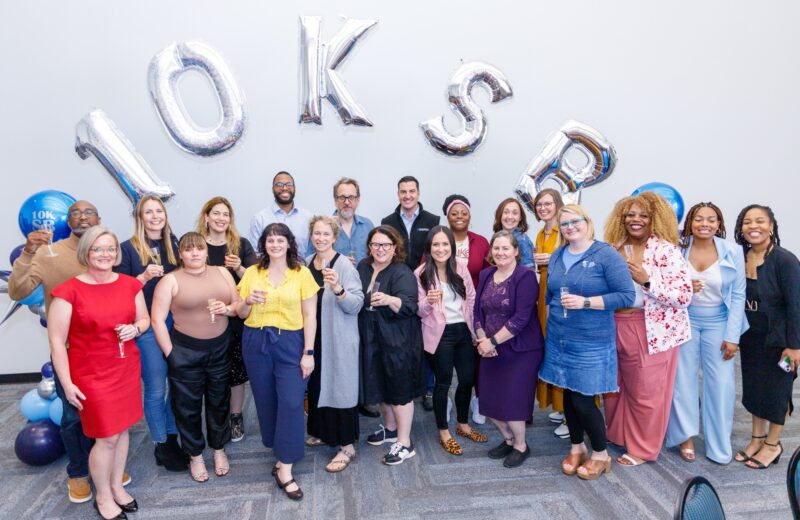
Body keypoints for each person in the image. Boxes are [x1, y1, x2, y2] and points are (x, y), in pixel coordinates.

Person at [8, 201, 132, 503]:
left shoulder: (110, 249)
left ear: (99, 218)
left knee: (114, 420)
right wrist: (26, 252)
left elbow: (127, 292)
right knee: (74, 416)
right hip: (72, 352)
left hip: (111, 354)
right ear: (68, 220)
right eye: (75, 212)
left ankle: (110, 473)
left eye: (89, 212)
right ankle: (78, 473)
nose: (82, 216)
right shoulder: (50, 254)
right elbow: (18, 291)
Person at [48, 226, 149, 519]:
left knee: (122, 429)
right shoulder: (68, 292)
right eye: (98, 249)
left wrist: (135, 329)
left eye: (110, 249)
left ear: (117, 253)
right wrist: (66, 384)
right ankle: (103, 496)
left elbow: (143, 320)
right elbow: (56, 342)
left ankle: (117, 487)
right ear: (86, 252)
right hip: (91, 374)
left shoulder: (130, 285)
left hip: (125, 367)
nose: (105, 254)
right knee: (105, 437)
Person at [538, 205, 635, 480]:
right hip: (559, 339)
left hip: (591, 342)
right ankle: (577, 446)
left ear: (587, 222)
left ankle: (601, 454)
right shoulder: (557, 256)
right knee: (568, 394)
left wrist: (587, 303)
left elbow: (627, 296)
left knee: (582, 400)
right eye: (564, 223)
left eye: (575, 221)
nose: (570, 227)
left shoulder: (605, 255)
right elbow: (550, 297)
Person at [603, 193, 692, 467]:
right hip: (612, 325)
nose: (636, 220)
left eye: (643, 215)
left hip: (651, 329)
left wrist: (648, 281)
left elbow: (684, 295)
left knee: (646, 393)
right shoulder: (612, 247)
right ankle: (618, 434)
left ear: (655, 219)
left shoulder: (666, 250)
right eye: (630, 214)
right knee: (615, 388)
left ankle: (642, 449)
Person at [151, 232, 242, 482]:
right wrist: (170, 354)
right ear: (180, 254)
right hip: (185, 352)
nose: (194, 254)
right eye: (188, 250)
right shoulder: (170, 280)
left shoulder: (222, 273)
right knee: (187, 409)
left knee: (219, 402)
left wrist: (228, 309)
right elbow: (157, 320)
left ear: (205, 251)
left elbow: (237, 305)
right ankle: (195, 455)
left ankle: (219, 450)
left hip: (221, 348)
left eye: (199, 249)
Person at [236, 223, 317, 499]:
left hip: (290, 342)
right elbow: (239, 311)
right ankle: (278, 450)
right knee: (266, 399)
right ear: (264, 245)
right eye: (270, 240)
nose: (275, 244)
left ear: (289, 243)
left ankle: (285, 465)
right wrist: (248, 300)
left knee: (293, 401)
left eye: (280, 240)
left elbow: (310, 317)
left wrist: (308, 353)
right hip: (255, 340)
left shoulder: (302, 273)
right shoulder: (251, 273)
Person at [665, 202, 748, 464]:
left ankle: (718, 445)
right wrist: (684, 285)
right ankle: (685, 437)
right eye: (699, 219)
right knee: (682, 380)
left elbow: (738, 295)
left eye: (711, 220)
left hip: (719, 323)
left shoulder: (733, 251)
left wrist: (733, 337)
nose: (705, 224)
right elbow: (664, 284)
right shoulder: (678, 249)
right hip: (684, 320)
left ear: (719, 224)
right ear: (690, 222)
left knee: (721, 384)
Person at [115, 195, 186, 471]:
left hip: (175, 322)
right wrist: (143, 278)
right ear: (140, 218)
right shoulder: (127, 249)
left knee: (177, 382)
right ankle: (161, 443)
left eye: (159, 211)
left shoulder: (174, 243)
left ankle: (171, 434)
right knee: (157, 386)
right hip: (145, 326)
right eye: (149, 212)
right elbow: (118, 289)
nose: (155, 216)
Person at [733, 204, 800, 469]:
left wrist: (795, 346)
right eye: (747, 222)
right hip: (751, 337)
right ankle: (756, 438)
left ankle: (773, 444)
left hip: (782, 342)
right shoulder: (741, 256)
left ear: (771, 226)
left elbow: (797, 306)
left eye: (760, 221)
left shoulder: (785, 260)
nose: (753, 227)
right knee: (754, 389)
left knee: (778, 390)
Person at [473, 230, 544, 468]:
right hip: (490, 348)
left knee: (513, 401)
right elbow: (477, 312)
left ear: (516, 251)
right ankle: (508, 439)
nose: (500, 252)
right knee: (489, 400)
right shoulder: (485, 274)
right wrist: (484, 340)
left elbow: (521, 318)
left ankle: (521, 445)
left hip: (520, 349)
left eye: (505, 248)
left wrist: (492, 342)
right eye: (496, 248)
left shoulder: (525, 277)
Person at [416, 226, 486, 456]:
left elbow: (473, 299)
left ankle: (463, 424)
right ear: (429, 248)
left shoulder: (461, 268)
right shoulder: (421, 273)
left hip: (463, 331)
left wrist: (477, 331)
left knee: (466, 380)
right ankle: (443, 431)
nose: (441, 248)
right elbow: (418, 310)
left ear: (452, 247)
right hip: (439, 334)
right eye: (436, 244)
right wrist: (428, 301)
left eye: (445, 244)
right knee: (443, 383)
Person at [304, 216, 364, 472]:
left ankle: (347, 446)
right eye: (316, 233)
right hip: (314, 336)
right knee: (318, 385)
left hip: (338, 338)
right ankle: (322, 431)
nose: (320, 238)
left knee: (341, 388)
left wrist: (339, 289)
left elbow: (357, 304)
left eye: (325, 234)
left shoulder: (344, 266)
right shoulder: (306, 264)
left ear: (335, 237)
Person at [359, 225, 424, 465]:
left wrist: (389, 299)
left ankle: (405, 443)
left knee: (399, 390)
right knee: (382, 384)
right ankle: (390, 429)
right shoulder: (363, 268)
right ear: (369, 247)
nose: (380, 249)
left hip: (398, 340)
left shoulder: (401, 272)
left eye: (385, 245)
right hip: (372, 337)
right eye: (375, 244)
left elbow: (410, 306)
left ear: (394, 247)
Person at [196, 197, 257, 443]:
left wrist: (240, 267)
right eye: (217, 214)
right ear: (207, 217)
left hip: (235, 316)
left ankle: (235, 416)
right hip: (204, 315)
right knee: (210, 372)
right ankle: (215, 418)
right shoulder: (197, 244)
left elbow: (254, 279)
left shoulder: (240, 244)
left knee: (235, 371)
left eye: (226, 214)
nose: (221, 218)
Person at [381, 176, 439, 410]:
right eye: (403, 191)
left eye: (411, 191)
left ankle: (428, 389)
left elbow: (435, 251)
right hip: (397, 286)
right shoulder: (388, 221)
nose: (407, 195)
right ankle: (406, 385)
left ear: (418, 193)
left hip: (424, 283)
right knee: (402, 340)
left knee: (427, 338)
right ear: (398, 194)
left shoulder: (432, 220)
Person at [443, 194, 490, 424]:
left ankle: (476, 399)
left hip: (474, 308)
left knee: (473, 360)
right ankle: (447, 400)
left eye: (464, 213)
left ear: (470, 216)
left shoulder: (480, 241)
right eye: (454, 213)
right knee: (444, 360)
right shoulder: (440, 239)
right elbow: (425, 267)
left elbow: (491, 271)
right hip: (445, 310)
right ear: (447, 216)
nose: (459, 217)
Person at [529, 189, 569, 437]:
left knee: (564, 350)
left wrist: (551, 258)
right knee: (551, 348)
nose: (543, 208)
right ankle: (560, 406)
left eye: (547, 204)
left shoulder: (565, 229)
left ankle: (570, 413)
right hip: (545, 294)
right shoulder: (541, 232)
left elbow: (572, 257)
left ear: (557, 205)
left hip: (562, 296)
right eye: (539, 205)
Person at [249, 171, 312, 259]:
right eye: (279, 184)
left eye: (289, 184)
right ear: (272, 189)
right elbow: (256, 254)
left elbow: (313, 253)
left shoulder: (308, 217)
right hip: (269, 271)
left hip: (302, 270)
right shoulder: (259, 218)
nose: (285, 188)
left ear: (294, 188)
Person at [331, 177, 375, 264]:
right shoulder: (325, 227)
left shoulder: (368, 225)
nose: (347, 202)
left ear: (357, 200)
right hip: (336, 277)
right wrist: (337, 262)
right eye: (342, 197)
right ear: (335, 200)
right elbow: (313, 260)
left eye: (351, 197)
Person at [492, 197, 535, 268]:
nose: (510, 217)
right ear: (500, 215)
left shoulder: (523, 240)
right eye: (506, 212)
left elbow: (528, 272)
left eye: (515, 213)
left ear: (520, 218)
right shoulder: (497, 238)